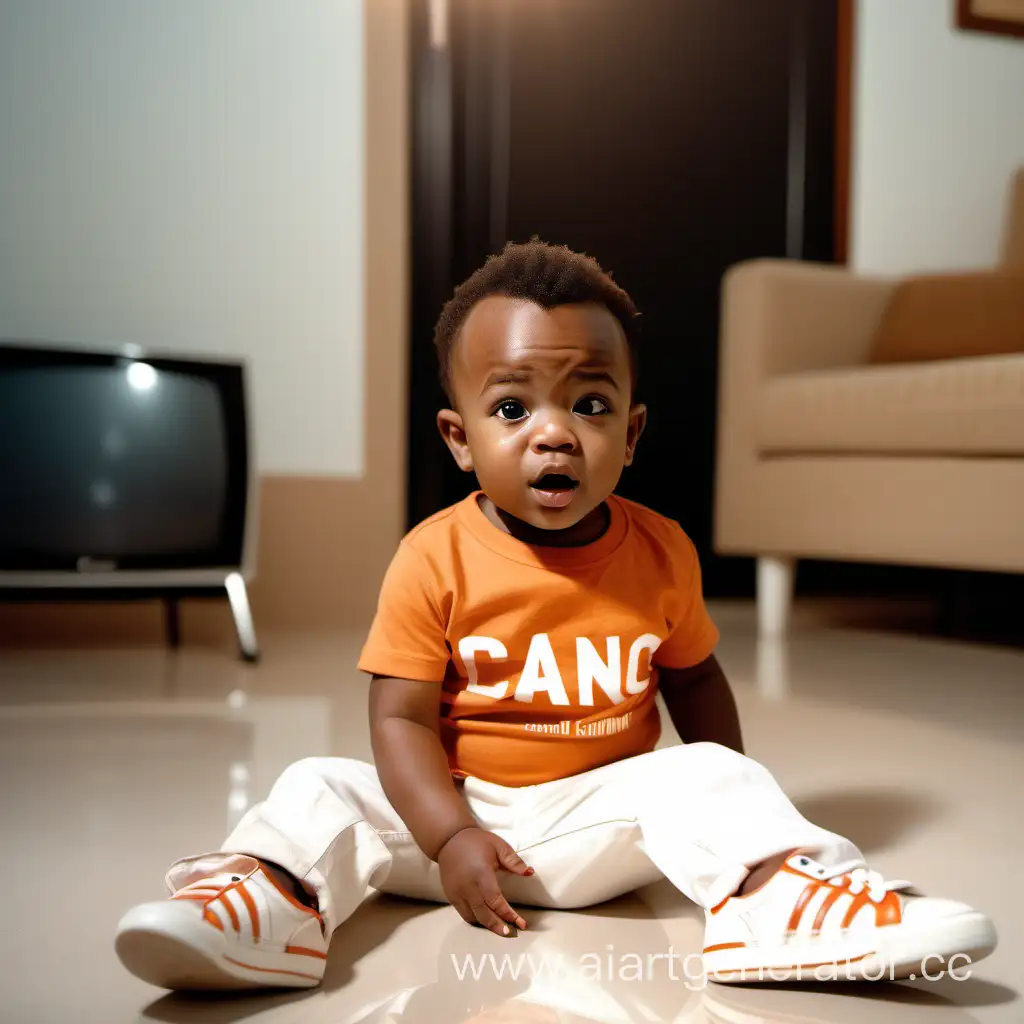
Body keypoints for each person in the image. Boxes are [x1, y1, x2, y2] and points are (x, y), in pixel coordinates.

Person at [115, 241, 996, 992]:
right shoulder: (433, 555)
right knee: (317, 785)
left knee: (712, 777)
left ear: (633, 431)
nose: (554, 434)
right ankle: (266, 909)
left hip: (595, 827)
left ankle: (779, 899)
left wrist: (728, 800)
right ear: (460, 438)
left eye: (590, 405)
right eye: (511, 407)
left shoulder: (664, 551)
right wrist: (452, 832)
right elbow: (399, 717)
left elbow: (696, 679)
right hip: (451, 825)